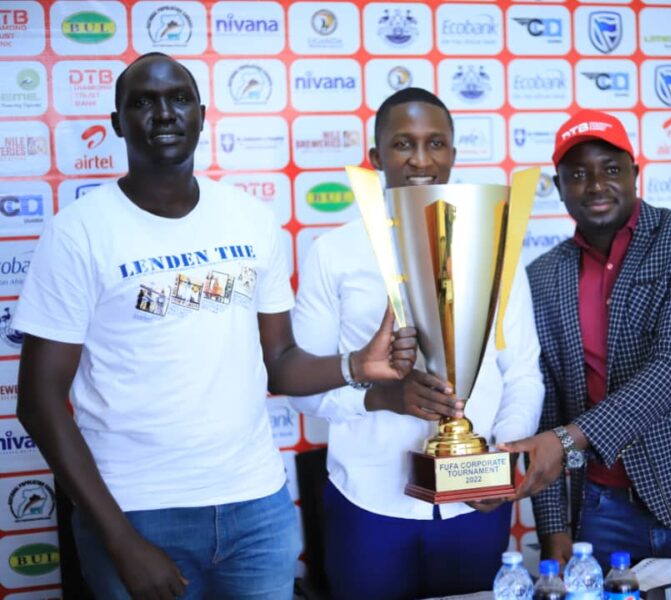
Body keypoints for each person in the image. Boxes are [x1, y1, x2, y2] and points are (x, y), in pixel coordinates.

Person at [13, 53, 417, 600]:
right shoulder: (78, 234)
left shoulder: (249, 219)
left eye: (179, 99)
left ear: (201, 116)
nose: (164, 113)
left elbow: (281, 364)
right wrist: (121, 540)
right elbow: (38, 402)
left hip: (257, 508)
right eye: (143, 102)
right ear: (117, 123)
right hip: (136, 510)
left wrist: (356, 365)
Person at [290, 87, 544, 600]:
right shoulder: (333, 253)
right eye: (404, 144)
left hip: (474, 507)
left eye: (436, 143)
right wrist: (382, 396)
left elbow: (521, 371)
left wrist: (500, 457)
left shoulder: (496, 246)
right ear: (376, 156)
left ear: (453, 153)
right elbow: (302, 389)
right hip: (369, 505)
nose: (421, 160)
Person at [501, 110, 671, 571]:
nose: (596, 185)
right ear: (559, 188)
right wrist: (554, 528)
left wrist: (567, 440)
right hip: (602, 512)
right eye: (578, 175)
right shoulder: (543, 276)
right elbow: (550, 404)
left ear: (635, 174)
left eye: (611, 169)